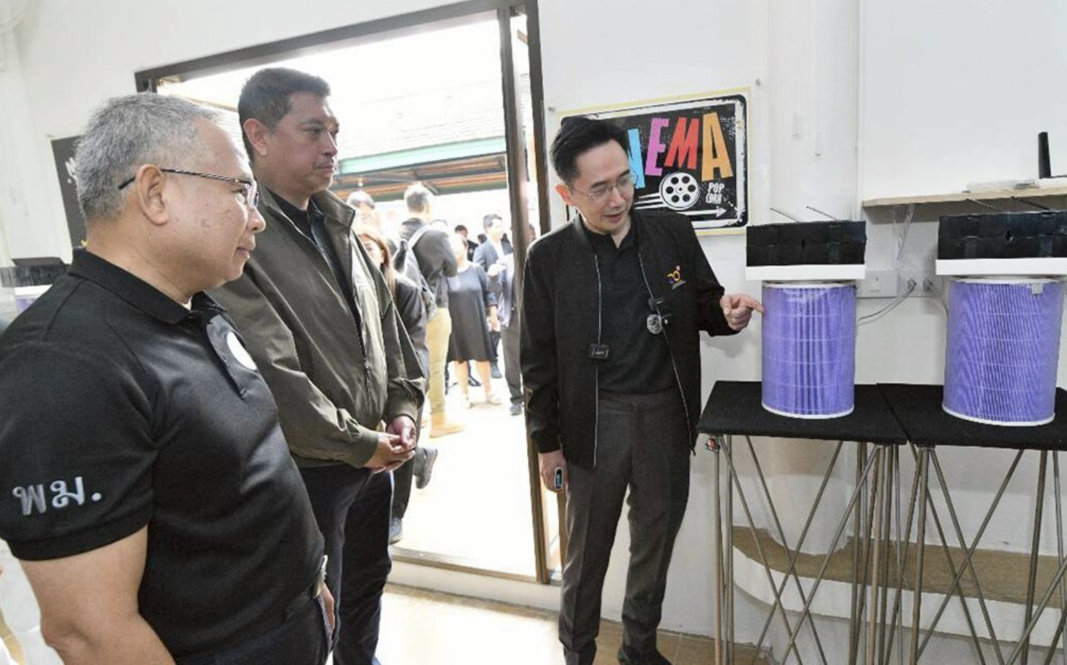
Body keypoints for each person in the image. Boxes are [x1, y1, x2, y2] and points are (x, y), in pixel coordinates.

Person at [0, 93, 332, 663]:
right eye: (240, 191)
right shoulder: (61, 365)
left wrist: (306, 586)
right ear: (155, 192)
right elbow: (89, 631)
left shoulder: (193, 305)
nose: (256, 218)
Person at [521, 116, 763, 665]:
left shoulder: (670, 232)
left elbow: (703, 302)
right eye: (599, 189)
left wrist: (725, 313)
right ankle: (577, 653)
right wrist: (546, 443)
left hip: (665, 415)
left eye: (624, 181)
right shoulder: (548, 258)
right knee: (587, 557)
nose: (618, 198)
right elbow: (536, 359)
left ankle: (639, 650)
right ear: (567, 193)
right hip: (593, 422)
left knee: (654, 548)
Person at [213, 68, 424, 665]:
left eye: (334, 131)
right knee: (312, 612)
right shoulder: (240, 236)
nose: (332, 146)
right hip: (309, 470)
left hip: (374, 458)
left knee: (366, 587)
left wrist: (403, 409)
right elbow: (273, 371)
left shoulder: (339, 223)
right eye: (313, 131)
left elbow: (388, 332)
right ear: (258, 135)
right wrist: (360, 443)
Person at [357, 226, 440, 545]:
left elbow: (415, 345)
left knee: (401, 440)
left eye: (370, 248)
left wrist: (410, 393)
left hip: (404, 379)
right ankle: (422, 456)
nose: (364, 254)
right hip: (368, 381)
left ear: (384, 254)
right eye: (358, 248)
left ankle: (396, 513)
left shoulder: (403, 289)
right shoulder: (352, 287)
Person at [399, 183, 465, 437]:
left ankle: (419, 415)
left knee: (411, 364)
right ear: (427, 206)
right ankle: (438, 419)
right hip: (433, 307)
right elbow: (452, 269)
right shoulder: (436, 235)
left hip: (403, 310)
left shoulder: (396, 234)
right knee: (435, 364)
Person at [488, 222, 536, 417]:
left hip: (535, 316)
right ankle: (516, 398)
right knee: (512, 361)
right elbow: (496, 289)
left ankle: (536, 395)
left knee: (537, 357)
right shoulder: (505, 261)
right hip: (512, 316)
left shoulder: (540, 256)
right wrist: (492, 277)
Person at [446, 233, 499, 407]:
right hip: (455, 322)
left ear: (466, 247)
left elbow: (488, 293)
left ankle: (488, 391)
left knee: (482, 357)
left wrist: (493, 315)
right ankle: (464, 395)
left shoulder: (476, 269)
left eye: (457, 245)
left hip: (477, 319)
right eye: (450, 245)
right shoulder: (445, 273)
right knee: (459, 359)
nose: (454, 249)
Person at [473, 213, 513, 378]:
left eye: (501, 226)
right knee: (494, 332)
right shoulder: (481, 250)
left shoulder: (507, 247)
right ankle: (493, 361)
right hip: (493, 296)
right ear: (487, 229)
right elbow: (478, 273)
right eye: (497, 226)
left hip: (509, 294)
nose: (501, 229)